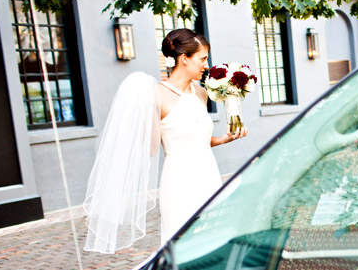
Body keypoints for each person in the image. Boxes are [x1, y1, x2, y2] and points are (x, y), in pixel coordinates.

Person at [84, 29, 246, 254]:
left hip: (209, 176)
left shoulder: (200, 93)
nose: (206, 65)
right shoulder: (156, 95)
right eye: (202, 59)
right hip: (179, 182)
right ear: (184, 58)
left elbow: (195, 139)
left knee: (212, 244)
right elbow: (151, 147)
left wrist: (224, 139)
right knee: (182, 248)